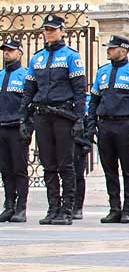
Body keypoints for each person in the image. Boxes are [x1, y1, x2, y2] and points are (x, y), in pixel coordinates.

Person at [24, 15, 87, 225]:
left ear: (62, 31)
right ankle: (53, 208)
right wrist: (25, 118)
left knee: (65, 164)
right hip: (42, 115)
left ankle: (67, 209)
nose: (49, 32)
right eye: (46, 29)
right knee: (48, 164)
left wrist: (79, 119)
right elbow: (29, 90)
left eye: (53, 29)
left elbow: (79, 90)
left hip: (63, 115)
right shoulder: (37, 58)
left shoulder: (71, 56)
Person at [84, 35, 129, 223]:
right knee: (109, 169)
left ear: (123, 50)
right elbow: (94, 101)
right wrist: (91, 125)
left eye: (112, 48)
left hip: (124, 124)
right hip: (105, 125)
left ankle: (128, 208)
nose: (108, 50)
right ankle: (114, 207)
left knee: (128, 169)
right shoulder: (102, 72)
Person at [0, 40, 31, 223]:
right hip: (1, 127)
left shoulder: (25, 76)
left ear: (20, 53)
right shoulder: (1, 75)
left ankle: (21, 207)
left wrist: (27, 126)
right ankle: (9, 205)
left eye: (10, 51)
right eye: (5, 51)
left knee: (19, 169)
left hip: (16, 128)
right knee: (5, 169)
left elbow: (28, 104)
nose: (6, 53)